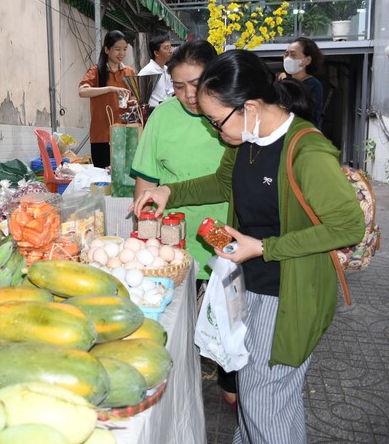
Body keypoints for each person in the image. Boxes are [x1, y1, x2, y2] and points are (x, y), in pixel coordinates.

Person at [132, 49, 365, 443]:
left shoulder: (307, 153)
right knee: (261, 395)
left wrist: (262, 247)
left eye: (216, 121)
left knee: (264, 398)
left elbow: (348, 226)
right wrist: (169, 191)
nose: (214, 130)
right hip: (250, 283)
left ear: (251, 106)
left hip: (288, 291)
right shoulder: (246, 141)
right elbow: (222, 183)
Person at [130, 39, 236, 409]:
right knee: (176, 329)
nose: (189, 95)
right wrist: (145, 241)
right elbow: (146, 180)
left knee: (227, 328)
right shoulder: (162, 117)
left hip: (226, 239)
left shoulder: (230, 114)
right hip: (174, 247)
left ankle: (228, 384)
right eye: (179, 86)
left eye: (197, 83)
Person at [78, 30, 135, 168]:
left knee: (123, 173)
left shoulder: (129, 72)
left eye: (124, 49)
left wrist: (133, 102)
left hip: (123, 132)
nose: (122, 53)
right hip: (101, 134)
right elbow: (82, 92)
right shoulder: (96, 71)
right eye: (117, 49)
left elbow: (134, 95)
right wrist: (110, 89)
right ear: (107, 50)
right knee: (102, 175)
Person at [281, 37, 324, 129]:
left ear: (307, 60)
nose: (288, 58)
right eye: (286, 54)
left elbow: (307, 115)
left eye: (293, 54)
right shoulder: (283, 83)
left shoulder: (314, 85)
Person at [137, 34, 174, 106]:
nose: (170, 51)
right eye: (166, 48)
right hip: (154, 110)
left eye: (170, 47)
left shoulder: (167, 69)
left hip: (167, 108)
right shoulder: (147, 71)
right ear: (156, 53)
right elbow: (139, 96)